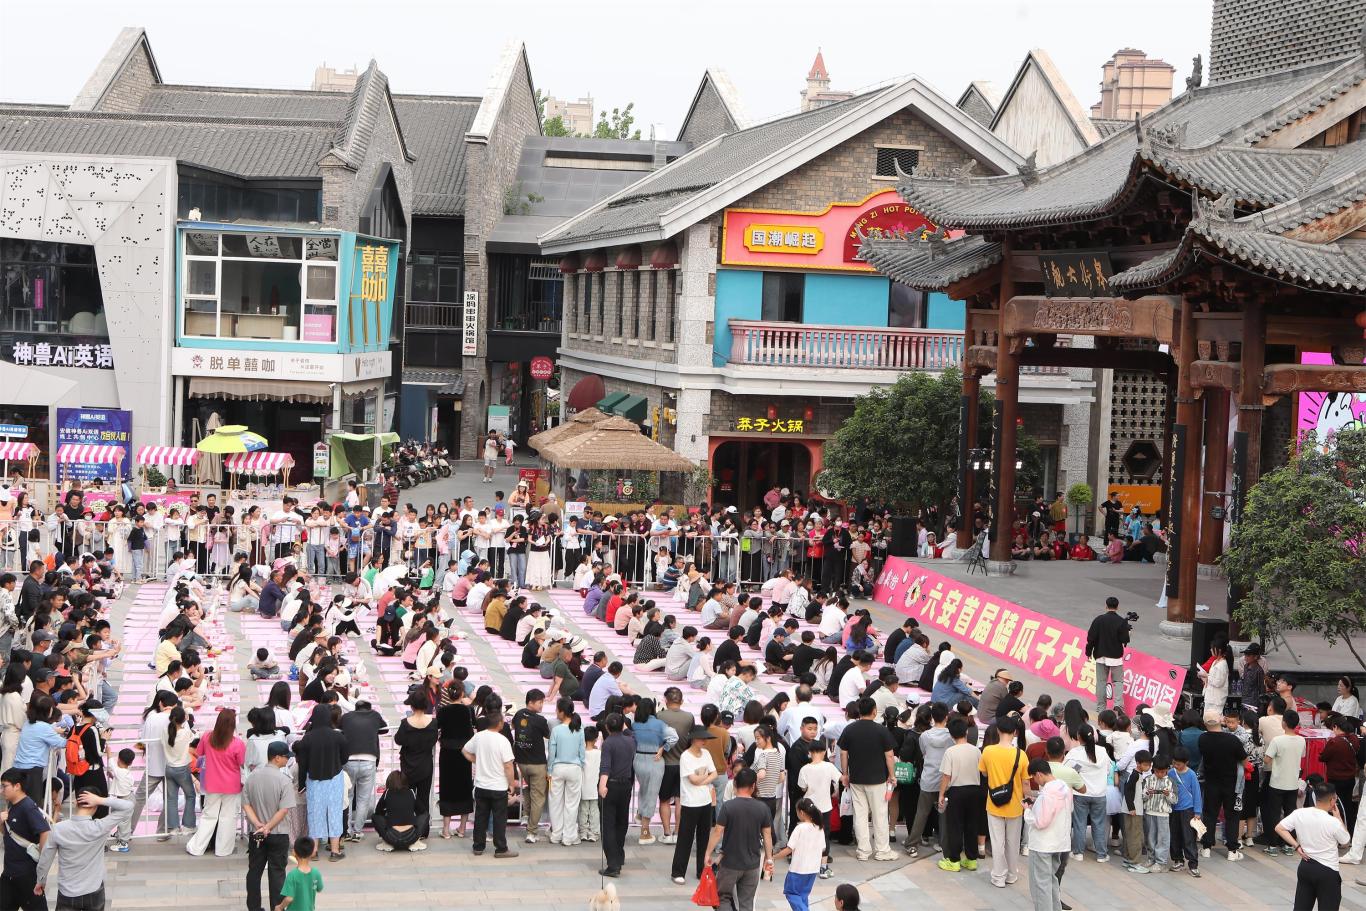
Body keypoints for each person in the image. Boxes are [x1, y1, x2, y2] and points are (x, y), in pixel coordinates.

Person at [34, 789, 132, 911]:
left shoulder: (58, 829)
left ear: (75, 802)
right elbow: (128, 806)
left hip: (67, 891)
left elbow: (45, 859)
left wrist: (41, 881)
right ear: (95, 806)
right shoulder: (100, 827)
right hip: (93, 889)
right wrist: (100, 800)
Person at [836, 697, 898, 862]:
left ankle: (863, 850)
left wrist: (845, 774)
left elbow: (843, 753)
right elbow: (889, 755)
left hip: (856, 779)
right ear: (874, 711)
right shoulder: (881, 730)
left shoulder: (850, 730)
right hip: (877, 780)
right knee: (879, 815)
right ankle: (882, 850)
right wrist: (892, 776)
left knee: (860, 815)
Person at [704, 768, 774, 911]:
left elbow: (718, 831)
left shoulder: (728, 806)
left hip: (730, 863)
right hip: (752, 864)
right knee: (746, 902)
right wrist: (769, 858)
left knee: (723, 897)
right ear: (753, 786)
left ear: (735, 784)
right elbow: (767, 835)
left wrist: (707, 853)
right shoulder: (762, 808)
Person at [1276, 781, 1350, 911]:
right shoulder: (1333, 822)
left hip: (1306, 866)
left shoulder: (1300, 813)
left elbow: (1279, 828)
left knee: (1301, 907)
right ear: (1333, 800)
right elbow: (1345, 841)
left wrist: (1297, 846)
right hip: (1328, 871)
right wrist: (1338, 817)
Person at [243, 741, 297, 911]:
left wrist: (258, 824)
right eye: (286, 757)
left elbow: (246, 805)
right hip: (278, 833)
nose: (288, 760)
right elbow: (284, 810)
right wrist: (269, 827)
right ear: (277, 758)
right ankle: (277, 907)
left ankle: (254, 907)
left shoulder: (252, 778)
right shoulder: (284, 780)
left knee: (254, 871)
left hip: (256, 833)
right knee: (277, 873)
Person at [462, 703, 519, 859]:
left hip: (481, 785)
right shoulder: (502, 741)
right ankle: (501, 848)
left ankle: (478, 846)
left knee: (481, 816)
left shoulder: (479, 736)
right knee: (499, 818)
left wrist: (477, 761)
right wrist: (511, 784)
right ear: (500, 723)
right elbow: (508, 765)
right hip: (498, 786)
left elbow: (465, 750)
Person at [187, 708, 246, 857]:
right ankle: (223, 849)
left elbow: (199, 753)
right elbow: (242, 762)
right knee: (228, 817)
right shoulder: (238, 744)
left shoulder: (207, 737)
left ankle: (197, 847)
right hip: (232, 785)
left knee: (208, 816)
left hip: (211, 783)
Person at [294, 704, 349, 862]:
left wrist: (301, 783)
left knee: (315, 814)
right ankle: (335, 850)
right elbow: (345, 758)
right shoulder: (338, 736)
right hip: (334, 779)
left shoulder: (308, 738)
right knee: (334, 813)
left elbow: (302, 763)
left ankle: (314, 851)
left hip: (314, 781)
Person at [980, 716, 1028, 888]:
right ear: (1015, 732)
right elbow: (1025, 782)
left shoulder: (988, 751)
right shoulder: (1021, 755)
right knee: (1012, 842)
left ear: (998, 730)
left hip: (994, 803)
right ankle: (1011, 874)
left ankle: (998, 876)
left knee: (997, 841)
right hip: (1015, 804)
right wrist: (1027, 801)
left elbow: (984, 774)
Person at [670, 726, 717, 885]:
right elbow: (692, 780)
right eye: (701, 738)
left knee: (704, 838)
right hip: (690, 802)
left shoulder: (707, 754)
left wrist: (702, 779)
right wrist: (705, 778)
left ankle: (701, 870)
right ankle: (678, 871)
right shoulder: (686, 756)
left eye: (705, 738)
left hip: (705, 801)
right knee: (685, 838)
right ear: (693, 739)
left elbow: (715, 773)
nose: (704, 741)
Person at [936, 715, 983, 873]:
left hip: (957, 791)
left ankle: (954, 860)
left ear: (951, 735)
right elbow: (982, 772)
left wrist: (941, 794)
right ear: (966, 733)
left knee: (955, 826)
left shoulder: (950, 751)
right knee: (972, 825)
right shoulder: (976, 750)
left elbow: (946, 776)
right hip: (975, 791)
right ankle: (971, 860)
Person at [1197, 711, 1247, 861]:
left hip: (1211, 782)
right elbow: (1245, 761)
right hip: (1231, 784)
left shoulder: (1203, 739)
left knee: (1210, 814)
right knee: (1232, 816)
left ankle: (1206, 847)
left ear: (1205, 723)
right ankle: (1232, 850)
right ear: (1221, 720)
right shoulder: (1232, 740)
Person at [1024, 758, 1072, 911]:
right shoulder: (1064, 787)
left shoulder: (1047, 794)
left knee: (1040, 885)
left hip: (1042, 844)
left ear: (1038, 774)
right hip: (1060, 842)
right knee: (1052, 881)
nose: (1035, 780)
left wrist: (1027, 810)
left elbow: (1041, 822)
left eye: (1034, 777)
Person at [1, 768, 49, 911]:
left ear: (17, 786)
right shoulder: (12, 805)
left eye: (4, 786)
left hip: (26, 875)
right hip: (9, 873)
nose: (2, 790)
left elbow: (45, 831)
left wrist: (42, 861)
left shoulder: (28, 807)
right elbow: (7, 833)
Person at [1263, 708, 1307, 855]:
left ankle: (1273, 845)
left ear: (1284, 723)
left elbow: (1267, 759)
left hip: (1277, 782)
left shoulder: (1277, 740)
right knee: (1291, 814)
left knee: (1273, 814)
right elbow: (1301, 756)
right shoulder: (1301, 740)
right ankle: (1289, 845)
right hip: (1292, 783)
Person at [597, 712, 635, 877]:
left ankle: (613, 865)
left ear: (606, 727)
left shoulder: (608, 743)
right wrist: (623, 725)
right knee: (621, 822)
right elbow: (628, 731)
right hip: (626, 785)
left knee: (608, 825)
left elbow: (605, 767)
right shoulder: (631, 741)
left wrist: (602, 785)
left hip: (611, 785)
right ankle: (619, 856)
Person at [511, 690, 551, 843]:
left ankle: (526, 815)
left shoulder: (519, 714)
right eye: (540, 702)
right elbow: (547, 735)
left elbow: (515, 726)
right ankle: (532, 831)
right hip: (538, 764)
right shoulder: (540, 720)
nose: (541, 705)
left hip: (522, 763)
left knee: (528, 787)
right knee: (538, 797)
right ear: (531, 702)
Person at [771, 798, 824, 911]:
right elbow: (823, 848)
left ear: (802, 813)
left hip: (798, 869)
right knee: (803, 895)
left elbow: (789, 849)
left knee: (792, 893)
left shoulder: (800, 828)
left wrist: (773, 857)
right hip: (813, 869)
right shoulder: (819, 827)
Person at [547, 698, 585, 846]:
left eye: (557, 709)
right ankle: (569, 836)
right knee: (572, 804)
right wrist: (580, 764)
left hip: (557, 768)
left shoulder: (556, 730)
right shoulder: (580, 729)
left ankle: (556, 834)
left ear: (562, 712)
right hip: (574, 768)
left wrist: (549, 770)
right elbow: (582, 752)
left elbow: (551, 753)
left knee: (555, 802)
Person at [1084, 596, 1130, 712]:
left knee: (1101, 683)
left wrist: (1088, 652)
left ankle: (1101, 708)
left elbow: (1091, 638)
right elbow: (1125, 639)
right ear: (1118, 607)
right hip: (1116, 657)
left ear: (1106, 606)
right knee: (1118, 682)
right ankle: (1118, 704)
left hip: (1101, 656)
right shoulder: (1121, 621)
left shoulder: (1098, 620)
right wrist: (1127, 631)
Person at [371, 770, 429, 852]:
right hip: (411, 837)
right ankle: (415, 842)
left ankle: (386, 843)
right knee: (426, 814)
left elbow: (378, 812)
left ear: (389, 781)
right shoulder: (411, 792)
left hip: (391, 837)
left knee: (374, 816)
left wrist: (388, 813)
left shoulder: (387, 793)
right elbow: (422, 811)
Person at [276, 836, 323, 911]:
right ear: (313, 853)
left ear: (294, 852)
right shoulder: (315, 873)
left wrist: (280, 907)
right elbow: (319, 889)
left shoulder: (292, 875)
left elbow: (289, 898)